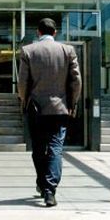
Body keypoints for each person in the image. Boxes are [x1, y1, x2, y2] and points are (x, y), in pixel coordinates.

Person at [17, 18, 82, 207]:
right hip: (60, 108)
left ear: (38, 32)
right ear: (55, 33)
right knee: (55, 148)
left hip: (36, 108)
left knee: (38, 148)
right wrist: (72, 102)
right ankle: (49, 190)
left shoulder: (28, 51)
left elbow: (22, 83)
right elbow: (76, 81)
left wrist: (24, 100)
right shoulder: (68, 51)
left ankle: (41, 183)